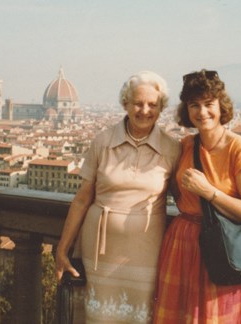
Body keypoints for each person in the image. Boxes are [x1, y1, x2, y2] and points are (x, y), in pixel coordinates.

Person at [55, 71, 181, 323]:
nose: (145, 110)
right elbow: (82, 199)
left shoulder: (172, 148)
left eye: (152, 105)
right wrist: (62, 250)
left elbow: (185, 200)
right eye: (138, 103)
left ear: (161, 108)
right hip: (99, 252)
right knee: (98, 315)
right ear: (125, 103)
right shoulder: (102, 141)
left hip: (147, 250)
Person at [153, 69, 241, 323]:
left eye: (208, 104)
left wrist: (210, 192)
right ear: (187, 110)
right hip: (181, 244)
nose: (202, 112)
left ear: (221, 106)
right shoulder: (185, 146)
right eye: (194, 105)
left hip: (218, 249)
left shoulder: (240, 149)